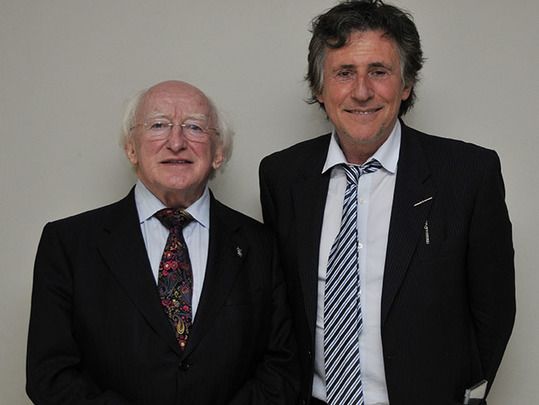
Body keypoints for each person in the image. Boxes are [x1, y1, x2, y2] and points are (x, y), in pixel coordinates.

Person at [259, 1, 515, 404]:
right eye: (344, 73)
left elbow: (493, 311)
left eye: (379, 72)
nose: (362, 92)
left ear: (406, 84)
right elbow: (281, 309)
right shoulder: (282, 176)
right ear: (319, 89)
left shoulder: (468, 174)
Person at [27, 80, 299, 404]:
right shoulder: (68, 245)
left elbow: (282, 368)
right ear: (131, 148)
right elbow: (50, 374)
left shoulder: (261, 246)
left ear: (218, 152)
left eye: (195, 127)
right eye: (158, 125)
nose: (176, 142)